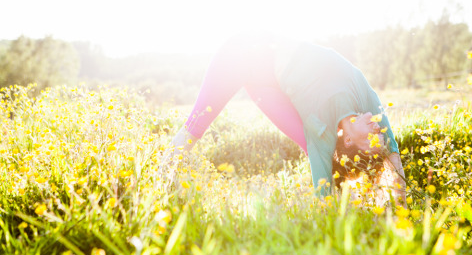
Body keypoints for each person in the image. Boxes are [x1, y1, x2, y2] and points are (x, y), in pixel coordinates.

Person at [170, 30, 407, 206]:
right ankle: (158, 181)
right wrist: (401, 207)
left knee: (194, 128)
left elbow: (322, 195)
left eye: (373, 139)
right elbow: (393, 153)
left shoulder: (320, 134)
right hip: (243, 49)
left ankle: (354, 204)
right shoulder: (367, 101)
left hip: (267, 87)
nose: (378, 129)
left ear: (350, 143)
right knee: (195, 126)